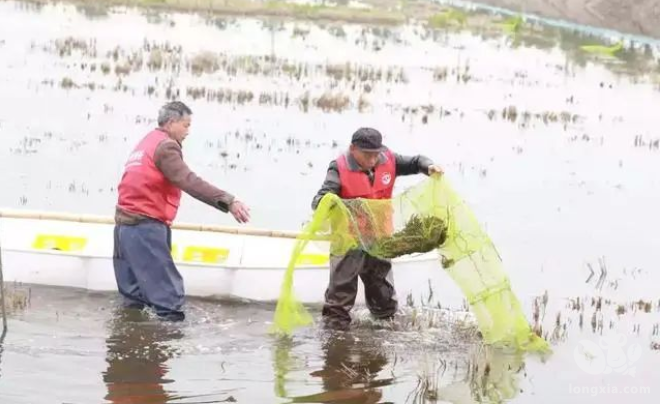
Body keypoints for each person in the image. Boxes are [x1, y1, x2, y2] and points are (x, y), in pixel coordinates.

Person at [113, 101, 250, 321]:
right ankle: (170, 347)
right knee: (169, 301)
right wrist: (228, 201)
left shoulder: (146, 142)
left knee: (133, 300)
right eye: (186, 125)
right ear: (172, 122)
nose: (188, 131)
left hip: (123, 229)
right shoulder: (166, 146)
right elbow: (188, 181)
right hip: (145, 227)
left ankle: (129, 345)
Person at [311, 127, 443, 329]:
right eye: (367, 154)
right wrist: (329, 204)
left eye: (376, 154)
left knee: (383, 297)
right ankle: (335, 342)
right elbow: (319, 200)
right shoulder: (338, 168)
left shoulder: (388, 159)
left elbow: (416, 162)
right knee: (339, 299)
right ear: (353, 148)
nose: (373, 159)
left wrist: (429, 166)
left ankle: (384, 328)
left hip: (379, 239)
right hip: (349, 242)